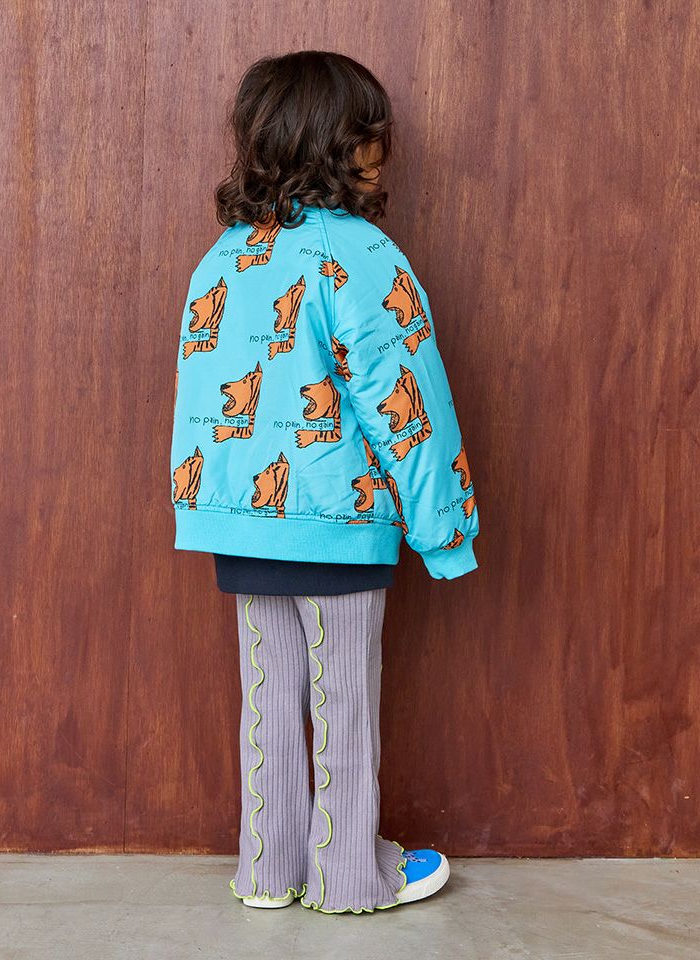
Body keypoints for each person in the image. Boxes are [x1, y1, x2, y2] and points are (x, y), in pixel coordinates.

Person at [169, 50, 480, 914]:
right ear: (339, 144)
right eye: (373, 132)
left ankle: (268, 871)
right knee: (343, 701)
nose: (386, 149)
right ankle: (349, 878)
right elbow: (407, 401)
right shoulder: (361, 253)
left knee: (267, 704)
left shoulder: (222, 259)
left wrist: (211, 513)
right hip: (337, 523)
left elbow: (202, 403)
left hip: (240, 524)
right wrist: (444, 531)